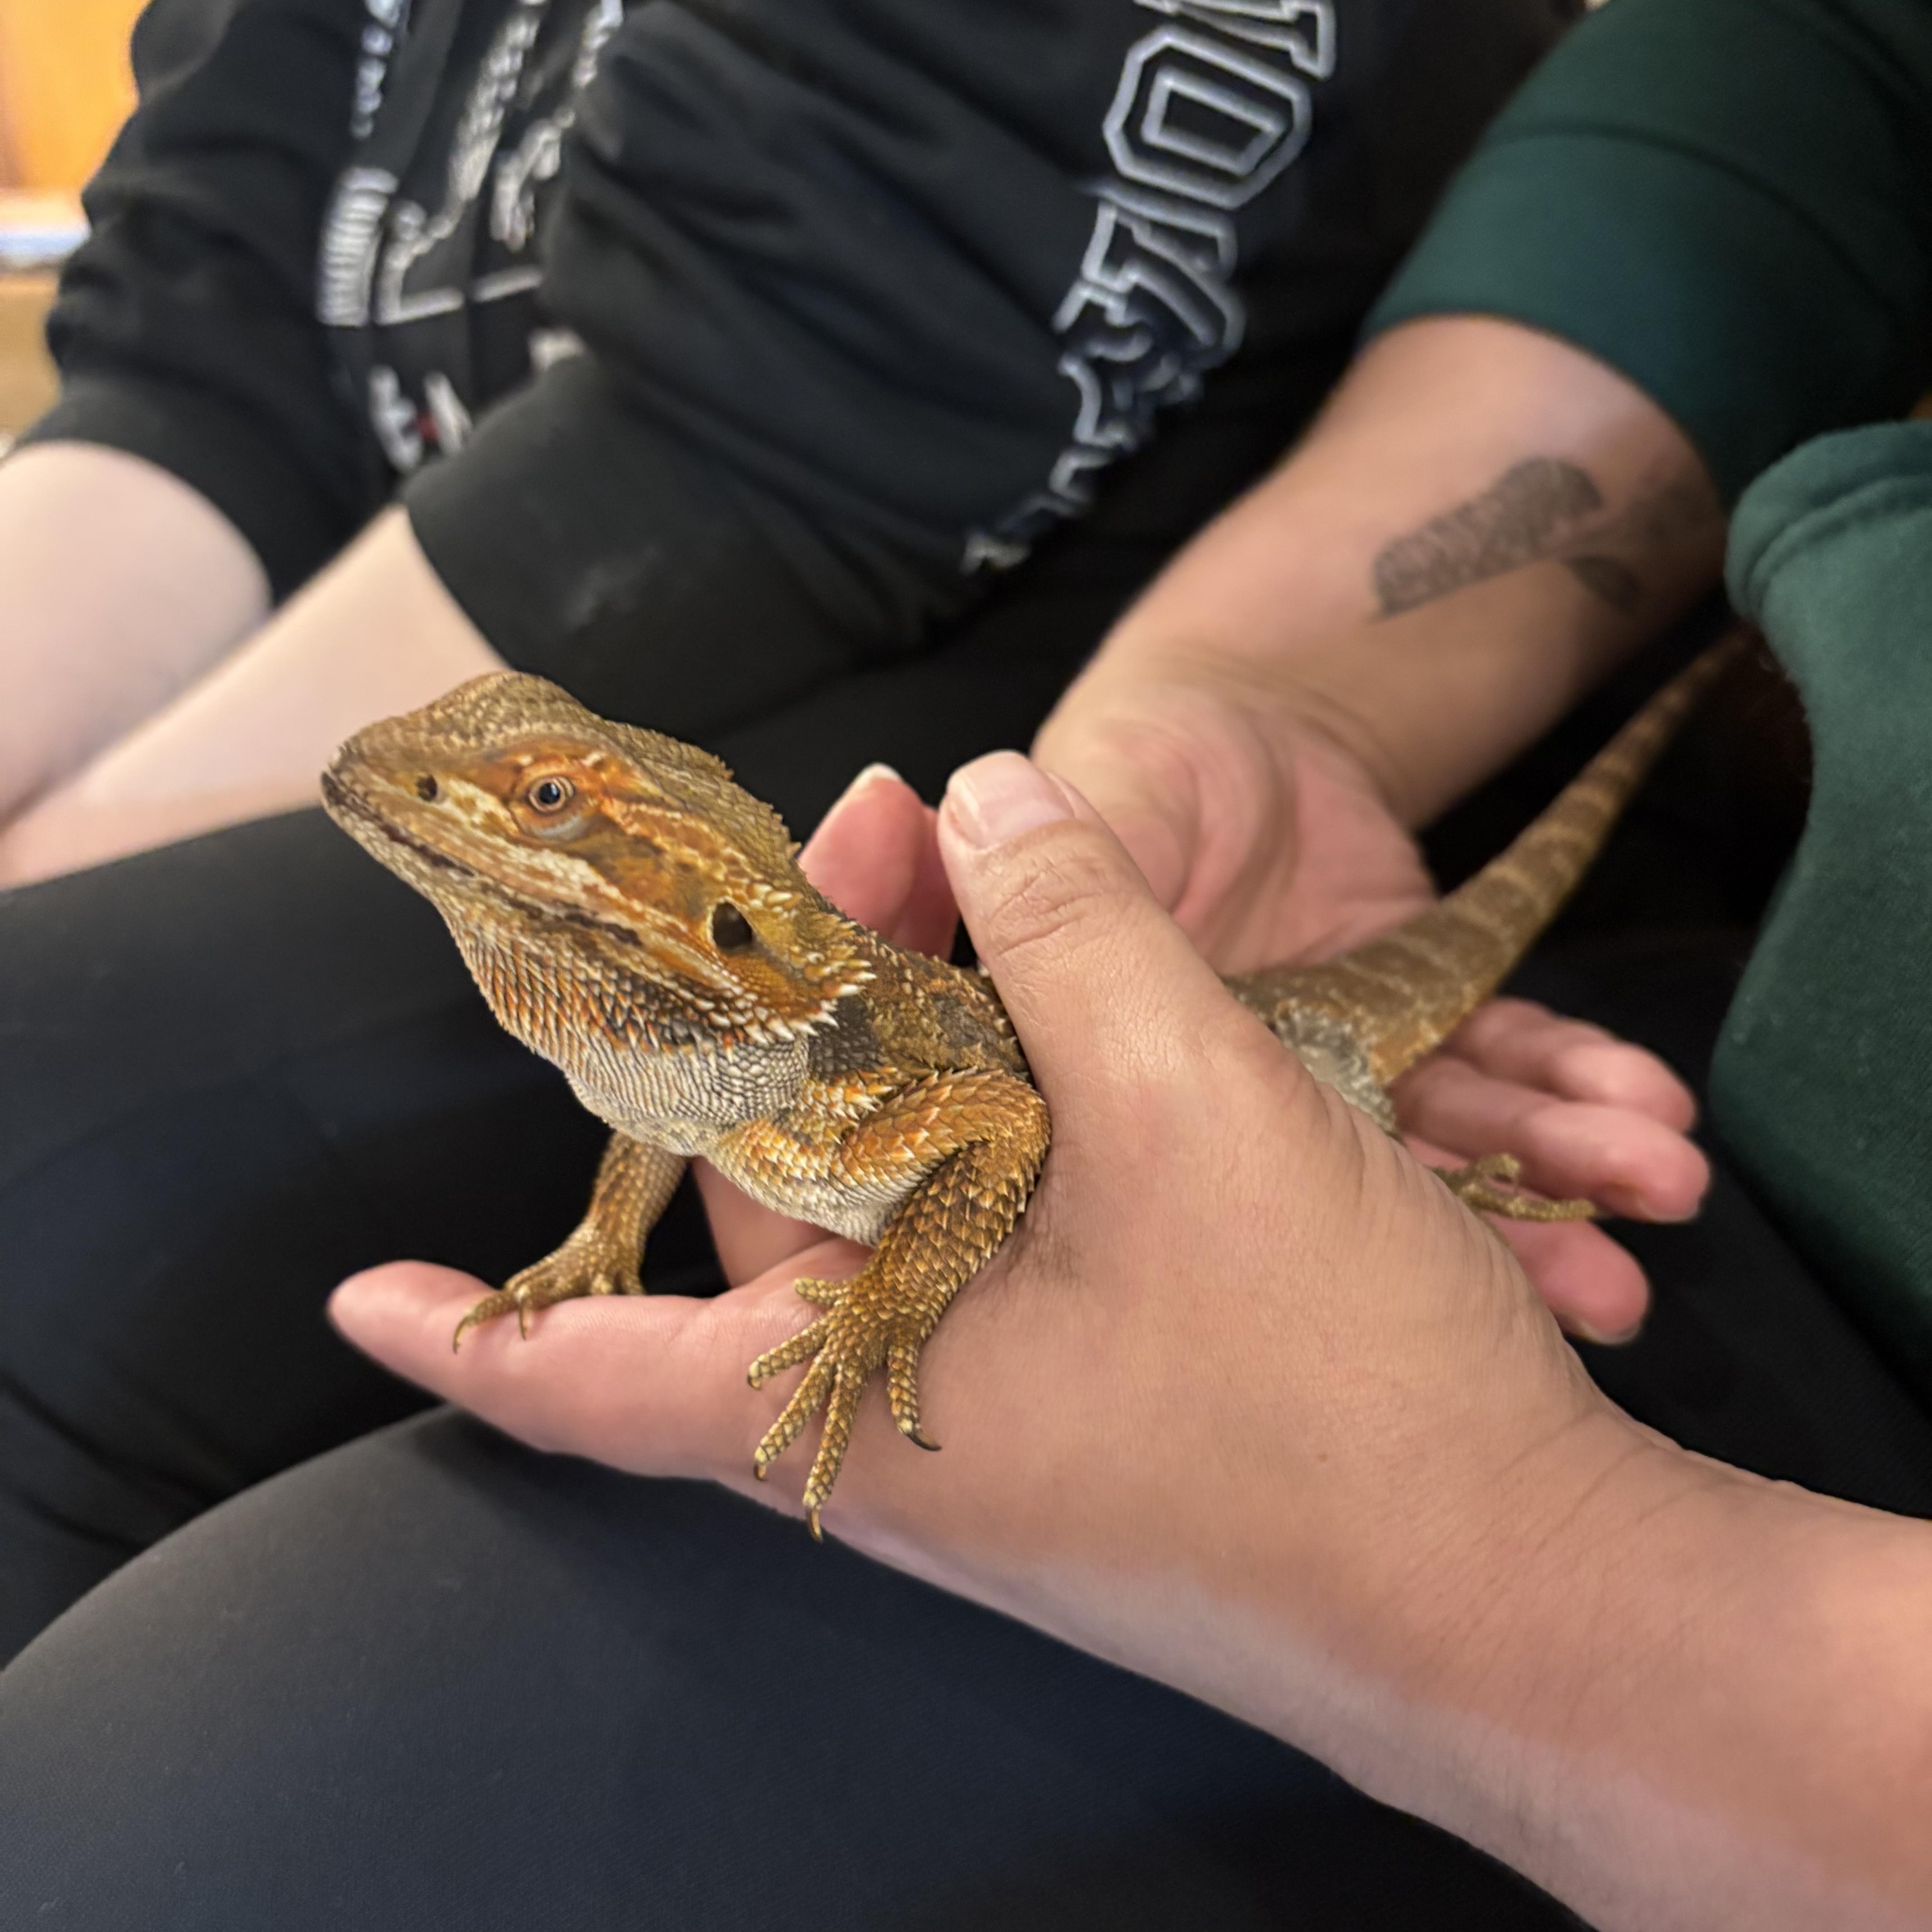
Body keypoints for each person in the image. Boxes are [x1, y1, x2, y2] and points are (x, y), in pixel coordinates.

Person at [5, 0, 1932, 1927]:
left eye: (556, 806)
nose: (475, 807)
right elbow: (1811, 67)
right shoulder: (696, 1025)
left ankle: (1463, 1164)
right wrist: (1275, 707)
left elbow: (999, 1135)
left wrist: (898, 1319)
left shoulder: (838, 1072)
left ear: (693, 895)